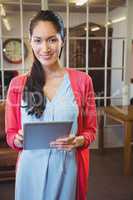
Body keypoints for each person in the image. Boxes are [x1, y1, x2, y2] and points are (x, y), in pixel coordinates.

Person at [5, 10, 97, 200]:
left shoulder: (82, 81)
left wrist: (79, 140)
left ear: (62, 40)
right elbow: (11, 133)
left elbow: (91, 130)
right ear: (30, 41)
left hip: (66, 167)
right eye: (38, 40)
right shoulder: (17, 85)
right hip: (30, 169)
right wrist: (17, 140)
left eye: (52, 40)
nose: (45, 48)